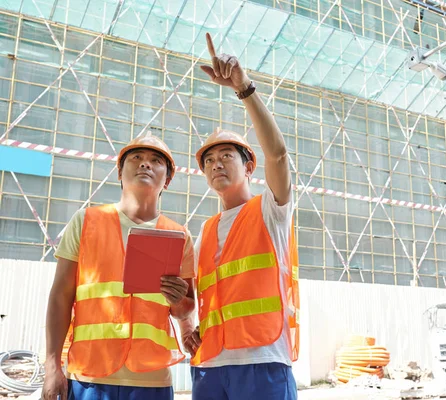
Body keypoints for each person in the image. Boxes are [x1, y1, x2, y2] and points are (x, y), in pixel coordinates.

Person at [179, 33, 300, 400]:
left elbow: (278, 155)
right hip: (210, 365)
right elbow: (196, 300)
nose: (216, 165)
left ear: (249, 168)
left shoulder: (270, 210)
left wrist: (243, 87)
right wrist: (185, 324)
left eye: (226, 157)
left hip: (262, 362)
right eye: (209, 161)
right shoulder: (203, 231)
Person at [42, 133, 196, 400]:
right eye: (136, 158)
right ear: (119, 173)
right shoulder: (86, 221)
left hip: (152, 380)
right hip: (89, 377)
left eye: (155, 160)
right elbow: (60, 297)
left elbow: (186, 308)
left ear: (167, 180)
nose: (145, 164)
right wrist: (51, 366)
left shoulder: (179, 235)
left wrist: (178, 299)